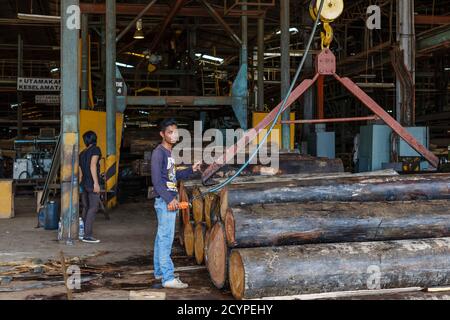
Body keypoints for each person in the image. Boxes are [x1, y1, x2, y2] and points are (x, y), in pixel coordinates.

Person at [151, 118, 201, 289]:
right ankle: (168, 278)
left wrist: (190, 170)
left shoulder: (169, 153)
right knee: (166, 239)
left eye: (175, 131)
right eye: (170, 132)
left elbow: (172, 177)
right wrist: (170, 199)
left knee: (161, 238)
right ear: (162, 134)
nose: (174, 135)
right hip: (167, 202)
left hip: (168, 200)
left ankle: (159, 271)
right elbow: (157, 181)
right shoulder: (159, 153)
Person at [79, 131, 102, 244]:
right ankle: (87, 235)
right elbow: (93, 165)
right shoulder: (96, 150)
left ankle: (82, 232)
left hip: (84, 183)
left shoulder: (82, 153)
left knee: (86, 207)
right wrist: (96, 183)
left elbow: (80, 172)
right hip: (91, 183)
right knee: (93, 208)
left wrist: (80, 183)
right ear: (95, 139)